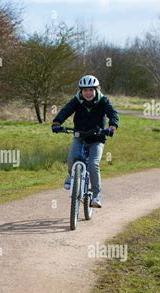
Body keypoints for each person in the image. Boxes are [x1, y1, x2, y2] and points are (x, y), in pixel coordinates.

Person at [51, 75, 119, 208]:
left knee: (93, 165)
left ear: (96, 89)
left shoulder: (103, 101)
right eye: (85, 90)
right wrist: (57, 122)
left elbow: (113, 113)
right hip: (80, 135)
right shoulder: (77, 100)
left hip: (97, 138)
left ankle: (96, 195)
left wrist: (112, 126)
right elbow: (66, 111)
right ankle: (72, 176)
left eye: (91, 90)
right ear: (81, 91)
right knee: (71, 159)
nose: (88, 93)